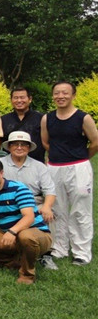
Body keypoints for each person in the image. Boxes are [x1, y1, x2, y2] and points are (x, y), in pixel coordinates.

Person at [41, 81, 98, 265]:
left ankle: (81, 252)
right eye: (57, 93)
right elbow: (46, 142)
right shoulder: (47, 118)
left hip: (78, 168)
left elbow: (95, 142)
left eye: (65, 93)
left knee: (81, 210)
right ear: (53, 96)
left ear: (73, 95)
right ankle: (59, 247)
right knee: (56, 209)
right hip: (54, 168)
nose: (61, 96)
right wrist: (59, 156)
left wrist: (81, 158)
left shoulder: (83, 118)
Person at [0, 159, 52, 284]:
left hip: (36, 232)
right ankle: (15, 262)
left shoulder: (18, 188)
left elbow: (29, 217)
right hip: (7, 234)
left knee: (26, 237)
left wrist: (12, 231)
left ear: (1, 173)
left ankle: (27, 275)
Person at [0, 131, 58, 270]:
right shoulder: (0, 164)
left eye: (23, 144)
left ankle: (47, 254)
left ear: (29, 147)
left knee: (48, 214)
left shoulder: (39, 166)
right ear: (9, 147)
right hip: (8, 202)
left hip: (34, 201)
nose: (19, 147)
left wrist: (47, 206)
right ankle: (7, 250)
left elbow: (50, 190)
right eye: (15, 144)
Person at [1, 86, 44, 164]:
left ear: (30, 99)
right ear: (11, 100)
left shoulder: (41, 118)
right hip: (9, 164)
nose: (19, 100)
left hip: (36, 163)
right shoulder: (3, 119)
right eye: (16, 98)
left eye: (22, 97)